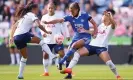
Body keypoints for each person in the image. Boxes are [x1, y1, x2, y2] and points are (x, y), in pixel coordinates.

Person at [60, 11, 122, 80]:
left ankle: (118, 76)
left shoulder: (112, 26)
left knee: (109, 63)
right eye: (103, 15)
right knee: (77, 53)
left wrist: (110, 16)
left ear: (108, 18)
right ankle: (69, 69)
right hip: (92, 45)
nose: (103, 16)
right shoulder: (101, 25)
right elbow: (94, 33)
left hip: (101, 47)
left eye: (104, 16)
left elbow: (113, 23)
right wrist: (85, 31)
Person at [44, 2, 98, 79]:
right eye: (70, 11)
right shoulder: (69, 17)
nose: (71, 13)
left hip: (86, 37)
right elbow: (59, 20)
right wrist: (48, 22)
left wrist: (95, 32)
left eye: (72, 11)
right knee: (69, 54)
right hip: (76, 37)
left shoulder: (85, 15)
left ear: (77, 10)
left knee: (74, 45)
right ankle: (69, 75)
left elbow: (95, 24)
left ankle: (61, 62)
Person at [9, 2, 56, 79]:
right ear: (34, 9)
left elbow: (14, 26)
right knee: (41, 41)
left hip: (16, 38)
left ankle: (20, 75)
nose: (38, 10)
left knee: (24, 57)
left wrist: (11, 37)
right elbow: (38, 25)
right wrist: (46, 32)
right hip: (23, 35)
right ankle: (51, 55)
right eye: (37, 9)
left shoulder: (23, 16)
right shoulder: (32, 15)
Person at [40, 2, 70, 76]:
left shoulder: (59, 16)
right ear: (47, 8)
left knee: (62, 54)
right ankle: (46, 72)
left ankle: (69, 70)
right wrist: (42, 33)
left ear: (55, 8)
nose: (50, 9)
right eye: (49, 8)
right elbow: (41, 27)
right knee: (45, 55)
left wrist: (67, 35)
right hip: (47, 40)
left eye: (52, 8)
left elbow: (64, 26)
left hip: (57, 40)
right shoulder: (44, 17)